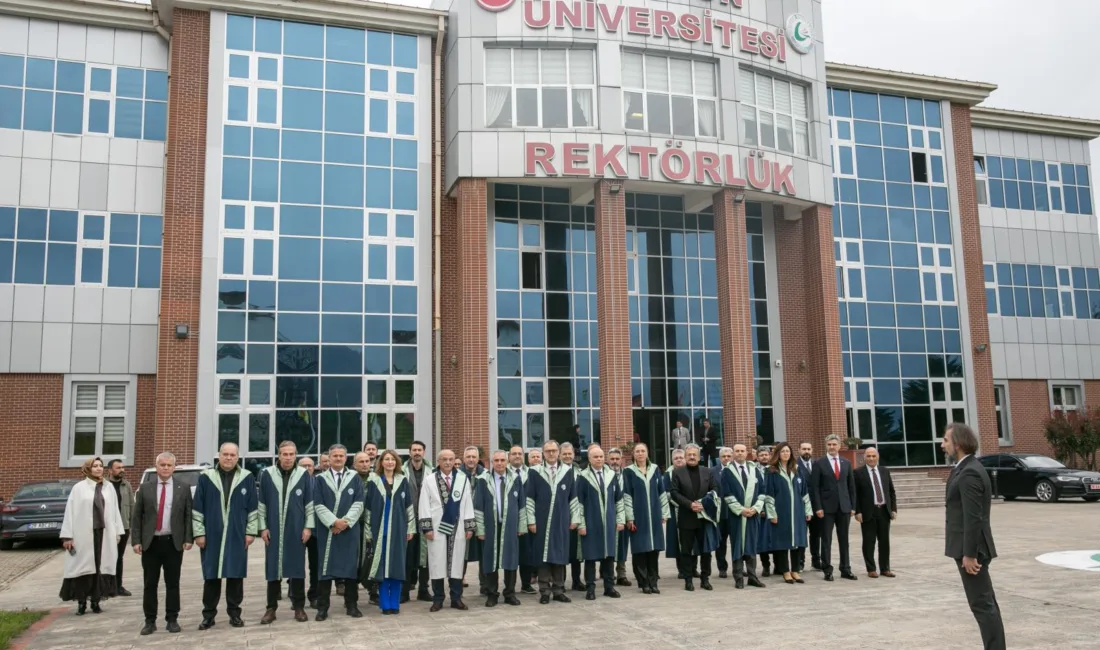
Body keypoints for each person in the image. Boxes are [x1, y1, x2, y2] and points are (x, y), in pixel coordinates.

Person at [943, 423, 1005, 650]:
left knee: (982, 605)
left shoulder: (969, 471)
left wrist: (969, 554)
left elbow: (974, 517)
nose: (943, 445)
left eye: (946, 440)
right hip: (968, 548)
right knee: (985, 603)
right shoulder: (964, 467)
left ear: (957, 444)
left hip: (972, 551)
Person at [193, 443, 258, 629]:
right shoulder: (206, 478)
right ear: (219, 456)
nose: (228, 458)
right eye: (225, 454)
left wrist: (250, 532)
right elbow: (197, 509)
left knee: (235, 575)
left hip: (237, 534)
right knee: (211, 576)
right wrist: (199, 533)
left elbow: (253, 508)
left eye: (232, 455)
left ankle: (235, 614)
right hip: (212, 535)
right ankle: (208, 615)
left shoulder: (247, 478)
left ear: (238, 457)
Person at [132, 452, 193, 635]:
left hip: (173, 543)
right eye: (162, 465)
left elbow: (188, 515)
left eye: (169, 465)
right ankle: (150, 621)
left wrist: (188, 538)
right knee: (150, 583)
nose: (165, 468)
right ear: (156, 466)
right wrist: (136, 540)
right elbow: (136, 517)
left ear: (174, 467)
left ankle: (172, 619)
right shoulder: (145, 488)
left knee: (172, 583)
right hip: (151, 543)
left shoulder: (183, 488)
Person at [258, 441, 314, 625]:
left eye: (291, 454)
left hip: (296, 528)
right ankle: (271, 608)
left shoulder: (303, 475)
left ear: (295, 455)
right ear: (278, 455)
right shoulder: (267, 474)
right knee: (273, 568)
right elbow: (262, 504)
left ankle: (299, 607)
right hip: (273, 528)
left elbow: (309, 504)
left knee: (297, 568)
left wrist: (308, 527)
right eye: (284, 454)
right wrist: (263, 527)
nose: (288, 457)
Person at [60, 457, 125, 615]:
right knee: (83, 567)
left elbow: (115, 511)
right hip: (83, 533)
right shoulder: (79, 488)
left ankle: (96, 601)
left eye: (100, 466)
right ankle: (81, 602)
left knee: (100, 566)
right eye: (95, 466)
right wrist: (67, 536)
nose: (98, 469)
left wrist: (117, 531)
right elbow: (70, 512)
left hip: (104, 533)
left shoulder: (108, 487)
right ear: (88, 469)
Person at [313, 444, 364, 620]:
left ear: (346, 458)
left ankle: (352, 605)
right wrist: (333, 522)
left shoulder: (354, 477)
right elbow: (318, 504)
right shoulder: (320, 479)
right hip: (327, 531)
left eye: (341, 456)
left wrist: (345, 522)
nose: (338, 459)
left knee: (350, 569)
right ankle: (322, 608)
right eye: (334, 456)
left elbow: (359, 503)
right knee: (325, 569)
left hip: (349, 531)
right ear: (329, 457)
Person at [420, 449, 475, 611]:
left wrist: (469, 526)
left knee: (456, 563)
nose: (448, 462)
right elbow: (424, 504)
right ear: (438, 461)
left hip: (458, 529)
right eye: (444, 459)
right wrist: (427, 527)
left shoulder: (462, 479)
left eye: (451, 459)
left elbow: (467, 503)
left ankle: (456, 598)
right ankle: (438, 599)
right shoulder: (429, 480)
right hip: (436, 528)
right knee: (437, 563)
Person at [525, 440, 578, 604]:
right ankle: (544, 591)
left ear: (558, 452)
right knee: (543, 557)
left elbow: (573, 498)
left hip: (561, 520)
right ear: (543, 453)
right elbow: (529, 499)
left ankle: (558, 590)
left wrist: (575, 518)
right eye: (547, 451)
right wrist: (531, 521)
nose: (551, 454)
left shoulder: (567, 472)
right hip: (541, 521)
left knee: (560, 555)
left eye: (554, 450)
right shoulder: (534, 472)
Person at [363, 450, 415, 615]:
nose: (390, 462)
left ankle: (395, 603)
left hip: (399, 531)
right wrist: (368, 531)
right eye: (386, 459)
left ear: (396, 462)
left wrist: (411, 528)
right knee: (383, 568)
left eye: (392, 459)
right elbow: (368, 509)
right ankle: (386, 604)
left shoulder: (402, 481)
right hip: (380, 531)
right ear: (381, 462)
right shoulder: (374, 481)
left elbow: (409, 507)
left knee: (397, 567)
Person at [474, 450, 527, 607]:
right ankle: (492, 594)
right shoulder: (483, 480)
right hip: (491, 526)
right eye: (496, 460)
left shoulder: (515, 479)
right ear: (492, 462)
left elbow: (521, 504)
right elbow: (478, 506)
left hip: (510, 526)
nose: (499, 463)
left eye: (502, 460)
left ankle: (510, 593)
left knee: (511, 559)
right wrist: (480, 529)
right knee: (490, 560)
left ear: (507, 461)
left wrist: (522, 525)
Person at [574, 445, 624, 600]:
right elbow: (578, 502)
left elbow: (619, 500)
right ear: (589, 459)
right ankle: (590, 588)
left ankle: (609, 587)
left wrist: (620, 519)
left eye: (601, 456)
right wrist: (581, 524)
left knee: (609, 556)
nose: (599, 459)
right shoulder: (583, 477)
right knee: (590, 557)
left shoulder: (611, 475)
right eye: (596, 457)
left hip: (609, 522)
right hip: (591, 522)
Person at [761, 442, 812, 585]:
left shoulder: (796, 469)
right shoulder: (771, 471)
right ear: (778, 453)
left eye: (788, 451)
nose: (786, 454)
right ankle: (785, 571)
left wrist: (808, 510)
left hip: (797, 512)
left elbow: (804, 492)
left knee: (797, 541)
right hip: (781, 512)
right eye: (783, 451)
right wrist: (772, 514)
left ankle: (795, 570)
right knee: (783, 542)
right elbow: (768, 495)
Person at [622, 442, 669, 594]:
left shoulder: (655, 469)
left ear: (647, 453)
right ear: (633, 454)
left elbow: (661, 492)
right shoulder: (628, 472)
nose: (641, 453)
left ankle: (653, 581)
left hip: (654, 516)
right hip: (638, 517)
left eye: (643, 451)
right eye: (638, 451)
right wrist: (630, 518)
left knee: (654, 550)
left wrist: (664, 513)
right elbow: (627, 496)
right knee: (640, 550)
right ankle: (643, 583)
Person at [810, 434, 857, 582]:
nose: (832, 447)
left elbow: (851, 486)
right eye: (829, 444)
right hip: (826, 509)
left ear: (839, 446)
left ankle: (845, 568)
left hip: (844, 508)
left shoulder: (846, 463)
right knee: (826, 540)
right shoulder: (819, 463)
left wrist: (853, 506)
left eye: (834, 445)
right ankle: (827, 569)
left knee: (844, 540)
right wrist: (817, 507)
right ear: (826, 446)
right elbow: (814, 487)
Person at [670, 445, 718, 591]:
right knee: (686, 550)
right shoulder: (677, 472)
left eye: (694, 455)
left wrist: (704, 503)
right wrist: (690, 504)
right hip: (687, 516)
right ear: (685, 456)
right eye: (689, 454)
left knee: (706, 550)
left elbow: (714, 489)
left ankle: (705, 579)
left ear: (699, 457)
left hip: (704, 517)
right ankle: (688, 579)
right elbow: (674, 492)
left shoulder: (707, 471)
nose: (692, 457)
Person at [720, 444, 765, 589]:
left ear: (747, 453)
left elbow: (762, 491)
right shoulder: (727, 471)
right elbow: (726, 493)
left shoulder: (754, 470)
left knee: (752, 545)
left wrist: (755, 508)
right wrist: (740, 510)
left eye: (742, 451)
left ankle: (752, 576)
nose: (740, 453)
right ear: (733, 454)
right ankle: (738, 577)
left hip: (753, 514)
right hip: (736, 516)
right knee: (737, 545)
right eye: (737, 451)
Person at [854, 447, 897, 579]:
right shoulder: (858, 473)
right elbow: (855, 494)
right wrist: (858, 511)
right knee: (869, 541)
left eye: (873, 456)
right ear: (864, 458)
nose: (871, 459)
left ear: (877, 456)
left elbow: (891, 491)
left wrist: (893, 509)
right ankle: (871, 568)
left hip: (884, 510)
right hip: (868, 512)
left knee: (884, 541)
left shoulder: (884, 471)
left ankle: (885, 568)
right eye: (868, 456)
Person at [402, 440, 433, 603]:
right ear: (410, 452)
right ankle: (405, 591)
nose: (417, 453)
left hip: (427, 518)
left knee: (426, 557)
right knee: (407, 556)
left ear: (424, 452)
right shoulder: (401, 470)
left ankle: (423, 589)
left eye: (419, 450)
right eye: (414, 450)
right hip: (408, 518)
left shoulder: (432, 471)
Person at [105, 459, 135, 597]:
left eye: (123, 467)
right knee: (106, 557)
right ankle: (105, 587)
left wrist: (132, 524)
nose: (122, 470)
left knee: (119, 557)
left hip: (123, 526)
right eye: (118, 468)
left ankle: (118, 586)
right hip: (107, 527)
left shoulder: (126, 485)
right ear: (110, 470)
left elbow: (132, 506)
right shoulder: (103, 485)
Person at [352, 451, 378, 603]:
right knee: (354, 558)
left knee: (372, 557)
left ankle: (373, 591)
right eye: (361, 462)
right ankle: (352, 593)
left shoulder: (377, 479)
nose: (364, 464)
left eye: (367, 461)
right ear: (354, 464)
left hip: (372, 525)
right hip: (354, 524)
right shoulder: (350, 479)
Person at [559, 442, 585, 591]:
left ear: (574, 455)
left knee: (577, 551)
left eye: (570, 454)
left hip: (577, 516)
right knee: (562, 550)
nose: (568, 456)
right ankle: (560, 582)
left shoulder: (579, 471)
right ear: (560, 455)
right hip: (561, 517)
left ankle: (576, 580)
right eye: (565, 454)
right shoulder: (557, 471)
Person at [606, 448, 632, 587]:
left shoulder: (627, 474)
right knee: (607, 544)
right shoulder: (604, 474)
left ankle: (621, 574)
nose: (615, 462)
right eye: (612, 459)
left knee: (622, 545)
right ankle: (607, 573)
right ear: (608, 459)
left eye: (617, 459)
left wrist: (629, 517)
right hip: (608, 514)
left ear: (621, 459)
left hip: (624, 515)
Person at [516, 447, 539, 594]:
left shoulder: (529, 474)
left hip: (529, 517)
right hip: (511, 519)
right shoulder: (506, 473)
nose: (517, 456)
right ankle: (509, 585)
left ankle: (526, 583)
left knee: (526, 552)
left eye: (519, 453)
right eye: (514, 454)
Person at [297, 457, 320, 607]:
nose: (306, 468)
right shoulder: (294, 483)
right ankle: (296, 597)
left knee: (315, 565)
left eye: (309, 466)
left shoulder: (319, 482)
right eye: (303, 466)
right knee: (296, 565)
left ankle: (314, 595)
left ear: (314, 467)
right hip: (297, 530)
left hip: (316, 530)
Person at [796, 442, 821, 572]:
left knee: (816, 535)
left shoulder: (817, 464)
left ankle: (816, 560)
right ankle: (800, 562)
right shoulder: (794, 465)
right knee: (802, 535)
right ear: (799, 450)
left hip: (816, 506)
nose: (806, 451)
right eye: (804, 449)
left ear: (812, 450)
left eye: (809, 449)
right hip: (801, 506)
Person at [662, 449, 686, 578]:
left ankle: (692, 568)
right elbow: (667, 493)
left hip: (691, 511)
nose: (679, 460)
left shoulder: (691, 470)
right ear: (672, 460)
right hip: (675, 509)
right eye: (676, 458)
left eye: (681, 457)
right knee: (678, 541)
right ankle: (681, 570)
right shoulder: (668, 474)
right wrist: (683, 503)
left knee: (691, 540)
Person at [714, 447, 734, 578]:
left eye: (728, 456)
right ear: (720, 458)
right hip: (720, 513)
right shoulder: (712, 471)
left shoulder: (737, 470)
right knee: (720, 543)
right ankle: (722, 567)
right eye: (724, 456)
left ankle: (739, 566)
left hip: (735, 512)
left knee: (737, 541)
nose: (726, 458)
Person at [754, 447, 773, 577]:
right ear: (757, 456)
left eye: (766, 455)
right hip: (759, 509)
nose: (764, 457)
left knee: (776, 538)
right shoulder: (753, 470)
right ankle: (765, 565)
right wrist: (759, 508)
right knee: (762, 540)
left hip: (774, 509)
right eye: (761, 455)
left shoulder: (774, 469)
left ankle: (779, 565)